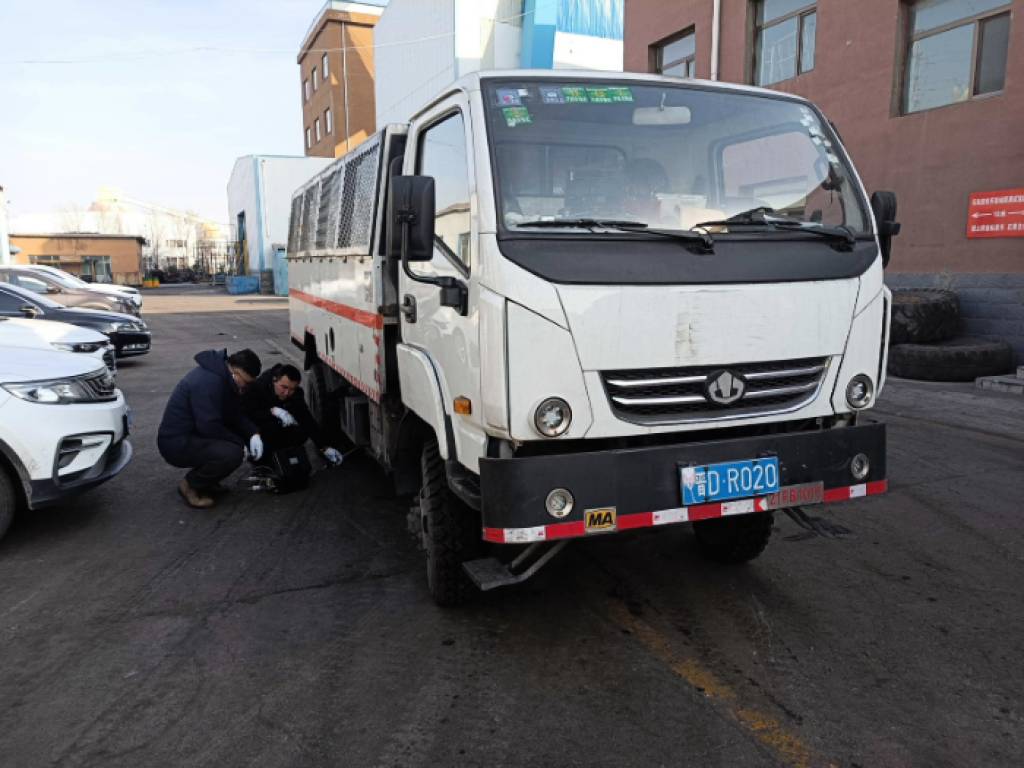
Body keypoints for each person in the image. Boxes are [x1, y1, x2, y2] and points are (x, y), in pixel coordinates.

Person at [157, 348, 264, 509]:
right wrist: (239, 444)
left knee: (235, 442)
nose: (246, 387)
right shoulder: (209, 382)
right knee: (233, 453)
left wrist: (253, 433)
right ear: (236, 372)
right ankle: (190, 485)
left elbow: (234, 414)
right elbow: (209, 425)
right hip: (176, 443)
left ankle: (207, 481)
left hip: (192, 434)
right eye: (247, 382)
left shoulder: (222, 376)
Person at [241, 363, 344, 468]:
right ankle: (260, 459)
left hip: (277, 426)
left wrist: (324, 447)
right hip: (257, 428)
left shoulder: (296, 394)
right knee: (264, 441)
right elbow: (245, 414)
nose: (287, 393)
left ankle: (281, 454)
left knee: (301, 432)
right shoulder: (257, 387)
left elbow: (307, 419)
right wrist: (271, 411)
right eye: (284, 387)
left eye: (292, 389)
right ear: (274, 380)